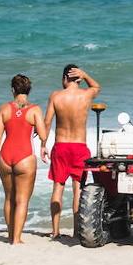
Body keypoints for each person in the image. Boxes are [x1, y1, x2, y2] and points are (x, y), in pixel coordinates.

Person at [42, 64, 101, 239]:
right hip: (79, 147)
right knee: (78, 190)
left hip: (60, 146)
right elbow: (97, 87)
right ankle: (77, 231)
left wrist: (43, 144)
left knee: (58, 188)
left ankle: (55, 231)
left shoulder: (56, 96)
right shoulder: (85, 95)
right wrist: (85, 74)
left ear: (64, 78)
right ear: (79, 79)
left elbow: (46, 122)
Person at [0, 74, 48, 245]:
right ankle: (16, 239)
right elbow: (43, 135)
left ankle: (9, 235)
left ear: (12, 90)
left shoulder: (3, 109)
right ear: (29, 90)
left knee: (8, 197)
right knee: (22, 200)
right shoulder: (35, 109)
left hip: (5, 157)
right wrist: (39, 129)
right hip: (25, 157)